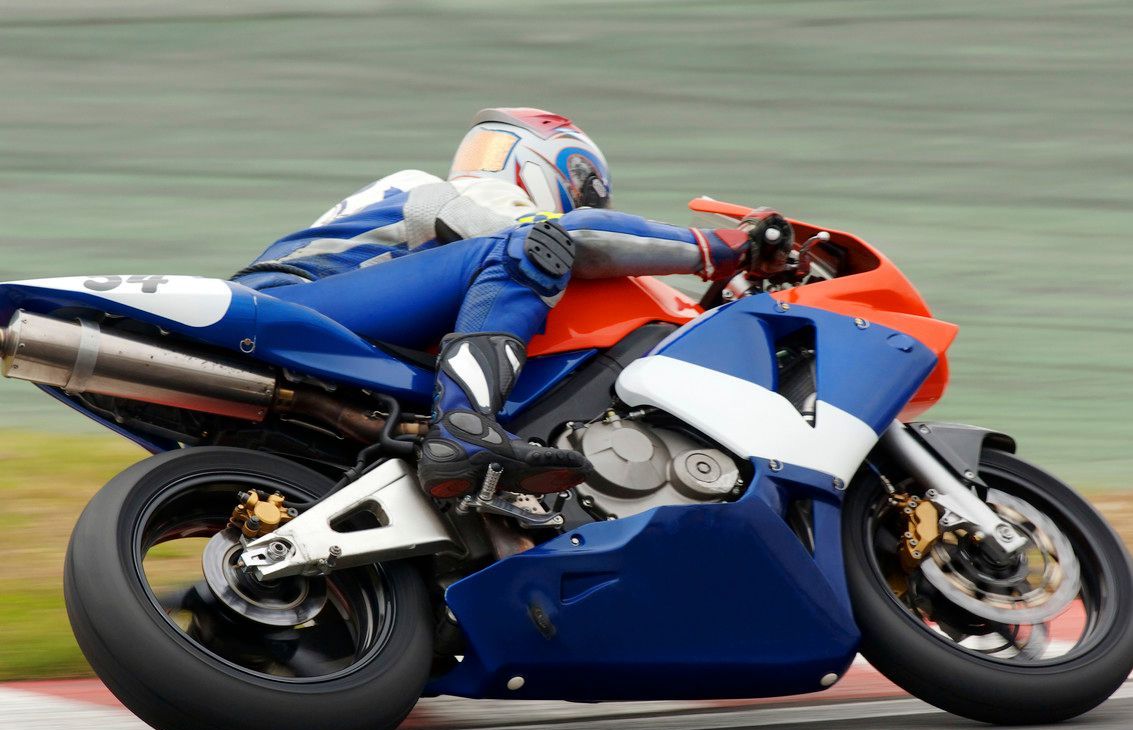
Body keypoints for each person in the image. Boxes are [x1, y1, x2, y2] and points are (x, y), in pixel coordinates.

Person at [233, 108, 794, 499]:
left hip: (299, 315)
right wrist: (722, 248)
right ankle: (464, 430)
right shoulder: (463, 193)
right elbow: (570, 235)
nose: (583, 198)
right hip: (291, 303)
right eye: (584, 185)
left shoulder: (416, 217)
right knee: (532, 247)